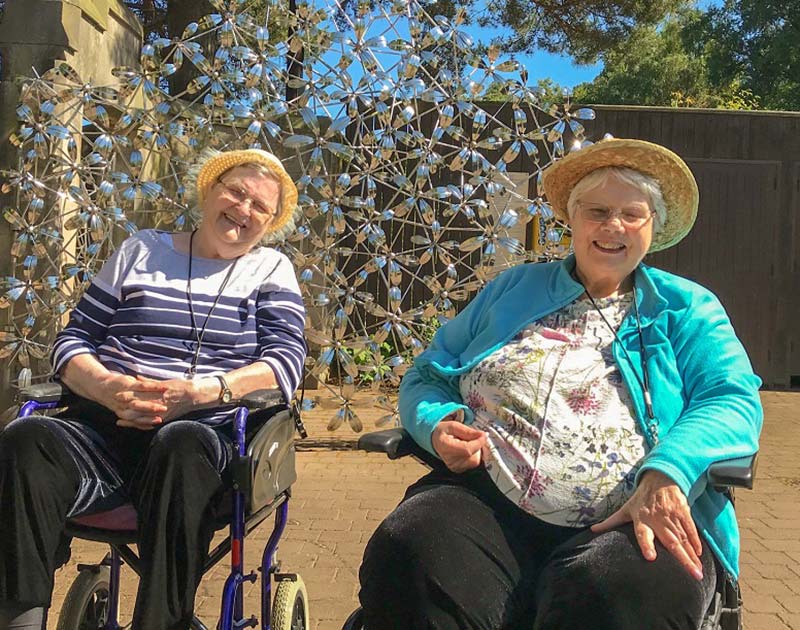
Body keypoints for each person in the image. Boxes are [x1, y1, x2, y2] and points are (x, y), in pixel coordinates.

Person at [358, 138, 763, 629]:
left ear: (652, 227)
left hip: (632, 511)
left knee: (617, 595)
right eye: (597, 210)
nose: (613, 225)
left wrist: (669, 471)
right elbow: (428, 373)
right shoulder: (513, 288)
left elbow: (731, 400)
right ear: (572, 219)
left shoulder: (686, 306)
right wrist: (437, 423)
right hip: (486, 495)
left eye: (631, 214)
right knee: (412, 550)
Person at [0, 149, 307, 630]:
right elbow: (73, 341)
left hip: (203, 436)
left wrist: (201, 392)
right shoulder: (141, 250)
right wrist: (107, 387)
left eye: (259, 207)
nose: (243, 210)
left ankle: (163, 621)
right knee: (27, 440)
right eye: (236, 192)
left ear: (270, 223)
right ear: (209, 190)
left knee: (179, 445)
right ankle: (19, 618)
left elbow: (284, 365)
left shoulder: (269, 269)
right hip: (104, 430)